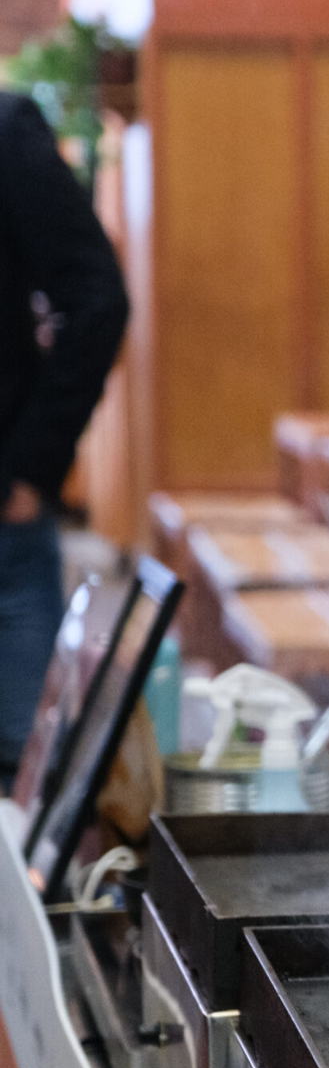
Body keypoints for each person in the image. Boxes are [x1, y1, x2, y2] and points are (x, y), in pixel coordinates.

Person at [1, 93, 129, 788]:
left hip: (4, 526)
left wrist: (31, 468)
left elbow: (98, 300)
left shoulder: (4, 133)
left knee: (29, 795)